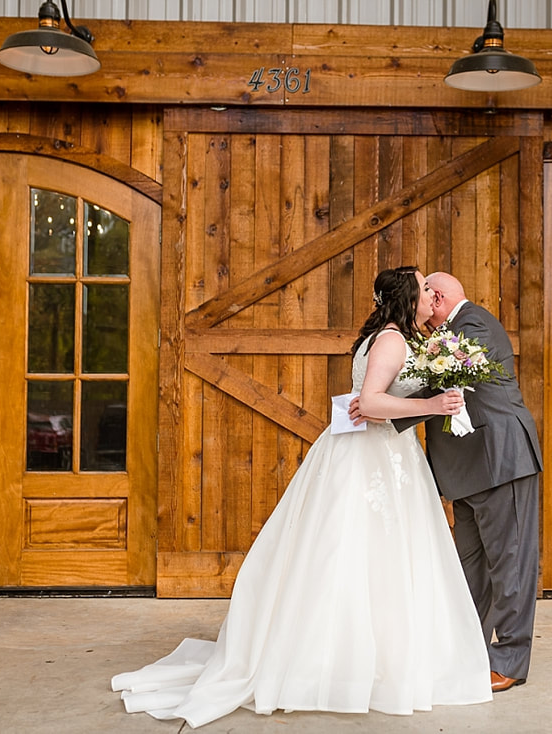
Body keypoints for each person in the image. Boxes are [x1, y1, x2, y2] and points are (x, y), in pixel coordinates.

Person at [111, 266, 492, 727]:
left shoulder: (396, 338)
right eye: (423, 286)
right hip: (372, 460)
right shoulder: (392, 340)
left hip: (386, 456)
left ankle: (373, 655)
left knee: (375, 556)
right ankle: (345, 663)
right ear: (408, 296)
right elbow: (369, 403)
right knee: (359, 553)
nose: (430, 293)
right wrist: (432, 405)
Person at [357, 272, 543, 694]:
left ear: (437, 297)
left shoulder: (472, 323)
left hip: (500, 462)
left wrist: (378, 403)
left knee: (509, 565)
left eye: (426, 294)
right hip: (465, 472)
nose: (423, 306)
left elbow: (446, 380)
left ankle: (510, 659)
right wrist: (376, 399)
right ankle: (467, 650)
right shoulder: (444, 336)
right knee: (468, 570)